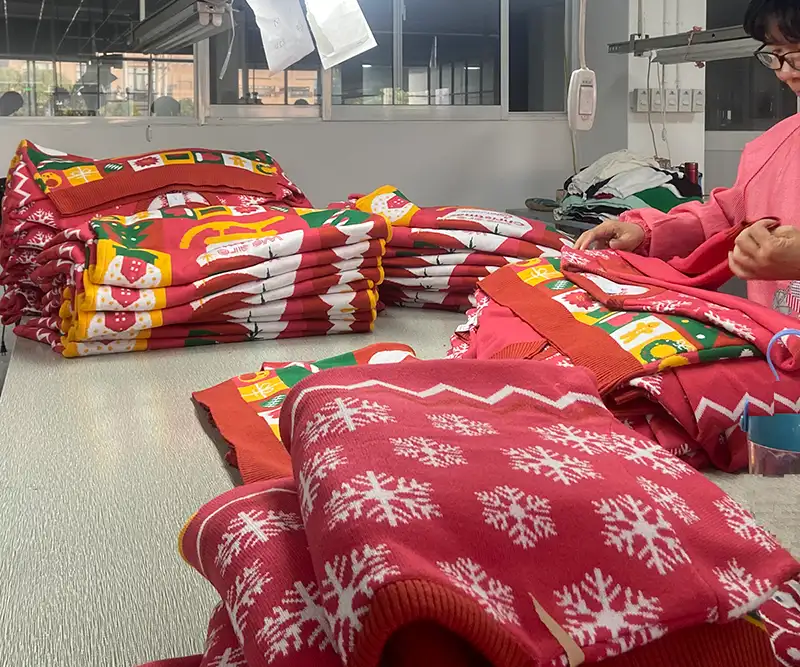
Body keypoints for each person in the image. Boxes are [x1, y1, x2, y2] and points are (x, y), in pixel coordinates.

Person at [575, 0, 800, 316]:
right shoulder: (772, 149)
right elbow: (723, 220)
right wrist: (647, 232)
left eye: (797, 55)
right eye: (776, 56)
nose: (786, 73)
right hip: (775, 352)